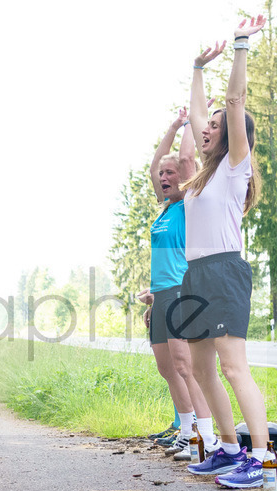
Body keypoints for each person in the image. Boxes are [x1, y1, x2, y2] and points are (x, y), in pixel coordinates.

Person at [180, 17, 274, 488]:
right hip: (194, 274)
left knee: (233, 366)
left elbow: (233, 102)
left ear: (235, 134)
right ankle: (229, 447)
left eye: (217, 125)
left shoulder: (237, 166)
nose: (208, 127)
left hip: (223, 272)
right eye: (209, 125)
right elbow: (201, 113)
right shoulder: (205, 174)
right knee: (200, 367)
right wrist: (197, 70)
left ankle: (261, 458)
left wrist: (239, 47)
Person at [136, 108, 219, 461]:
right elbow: (157, 162)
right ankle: (186, 432)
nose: (165, 176)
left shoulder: (187, 203)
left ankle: (207, 436)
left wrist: (189, 123)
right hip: (161, 295)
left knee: (187, 366)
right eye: (162, 175)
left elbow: (187, 160)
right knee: (167, 368)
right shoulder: (164, 210)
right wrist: (171, 127)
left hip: (183, 290)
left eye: (170, 173)